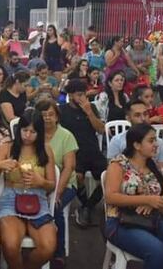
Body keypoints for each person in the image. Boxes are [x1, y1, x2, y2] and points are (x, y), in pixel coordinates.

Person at [104, 123, 163, 269]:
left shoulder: (157, 170)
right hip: (121, 221)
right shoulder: (118, 164)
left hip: (153, 220)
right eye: (151, 141)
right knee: (157, 251)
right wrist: (147, 199)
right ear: (136, 145)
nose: (156, 144)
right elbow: (110, 197)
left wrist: (156, 204)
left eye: (156, 140)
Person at [0, 108, 57, 269]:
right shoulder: (7, 147)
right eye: (24, 130)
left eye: (33, 132)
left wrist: (40, 182)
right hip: (10, 197)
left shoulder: (46, 150)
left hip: (37, 199)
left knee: (48, 247)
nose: (27, 135)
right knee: (11, 245)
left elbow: (51, 185)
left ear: (39, 133)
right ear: (18, 130)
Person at [35, 99, 78, 266]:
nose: (47, 118)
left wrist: (58, 192)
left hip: (65, 184)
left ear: (57, 117)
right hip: (41, 183)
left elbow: (69, 167)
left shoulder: (66, 135)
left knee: (55, 208)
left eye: (51, 114)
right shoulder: (35, 135)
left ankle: (58, 252)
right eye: (43, 115)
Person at [60, 78, 106, 227]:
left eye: (84, 94)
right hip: (73, 153)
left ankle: (88, 206)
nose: (82, 98)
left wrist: (89, 113)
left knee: (108, 176)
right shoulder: (62, 110)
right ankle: (85, 206)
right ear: (71, 95)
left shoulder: (91, 107)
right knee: (78, 176)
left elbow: (101, 129)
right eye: (79, 95)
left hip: (92, 150)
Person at [107, 99, 163, 174]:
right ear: (128, 118)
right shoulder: (117, 141)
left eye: (145, 114)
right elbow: (111, 172)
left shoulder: (159, 143)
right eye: (137, 115)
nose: (143, 119)